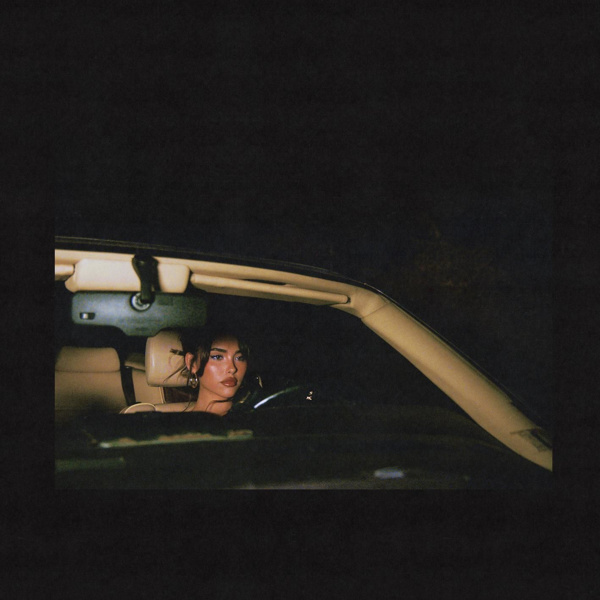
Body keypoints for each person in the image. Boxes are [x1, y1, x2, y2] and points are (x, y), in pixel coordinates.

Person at [178, 329, 250, 416]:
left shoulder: (256, 417)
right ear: (192, 363)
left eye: (240, 358)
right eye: (217, 357)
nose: (232, 368)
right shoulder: (176, 423)